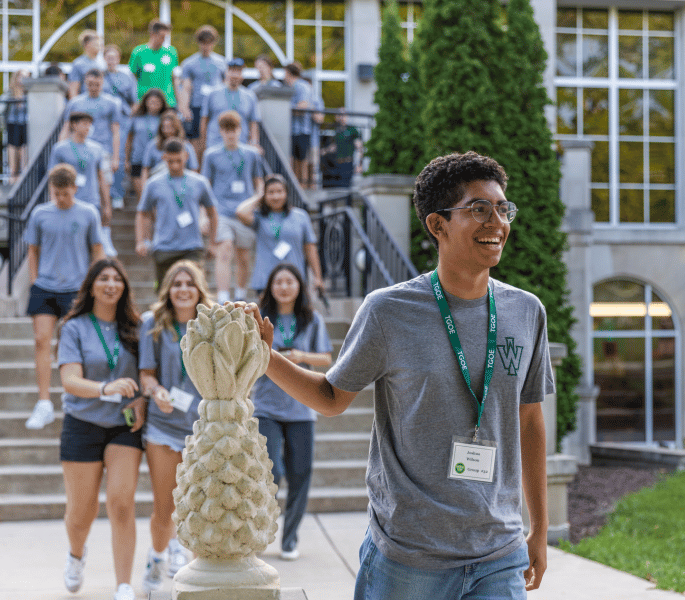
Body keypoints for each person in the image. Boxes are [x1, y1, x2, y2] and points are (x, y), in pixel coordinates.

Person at [241, 152, 552, 599]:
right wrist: (266, 356)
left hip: (498, 552)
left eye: (503, 209)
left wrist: (538, 530)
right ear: (437, 225)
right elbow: (331, 397)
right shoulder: (388, 311)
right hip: (409, 556)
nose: (497, 222)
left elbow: (530, 420)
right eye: (479, 209)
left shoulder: (526, 311)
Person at [57, 258, 144, 600]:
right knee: (81, 513)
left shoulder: (136, 327)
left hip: (123, 426)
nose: (111, 284)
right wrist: (105, 388)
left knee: (122, 502)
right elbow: (69, 381)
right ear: (91, 286)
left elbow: (148, 374)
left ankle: (123, 583)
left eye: (117, 278)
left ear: (124, 287)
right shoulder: (74, 327)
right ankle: (76, 555)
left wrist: (142, 401)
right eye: (104, 278)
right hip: (83, 423)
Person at [137, 260, 213, 591]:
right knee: (164, 505)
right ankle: (157, 557)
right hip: (162, 426)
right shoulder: (152, 323)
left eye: (189, 283)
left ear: (199, 289)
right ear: (168, 289)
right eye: (177, 284)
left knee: (196, 503)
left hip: (201, 427)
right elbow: (146, 375)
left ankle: (191, 565)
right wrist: (156, 391)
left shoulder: (211, 323)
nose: (183, 289)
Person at [252, 263, 331, 560]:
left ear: (299, 286)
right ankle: (258, 534)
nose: (284, 286)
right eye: (278, 281)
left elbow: (325, 358)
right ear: (270, 286)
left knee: (301, 474)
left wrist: (299, 356)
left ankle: (290, 538)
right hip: (267, 407)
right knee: (271, 470)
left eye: (290, 281)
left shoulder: (312, 320)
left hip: (302, 408)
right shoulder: (261, 320)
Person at [24, 164, 105, 430]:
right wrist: (35, 280)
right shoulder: (40, 214)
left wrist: (95, 284)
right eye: (56, 193)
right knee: (41, 340)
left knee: (73, 344)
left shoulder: (88, 213)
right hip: (45, 286)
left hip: (76, 288)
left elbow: (97, 249)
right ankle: (44, 402)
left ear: (75, 189)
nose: (61, 199)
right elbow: (32, 250)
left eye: (65, 194)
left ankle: (77, 393)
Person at [135, 137, 219, 287]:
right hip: (163, 246)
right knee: (164, 293)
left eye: (178, 160)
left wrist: (213, 242)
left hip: (192, 246)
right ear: (163, 158)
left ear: (186, 156)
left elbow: (212, 212)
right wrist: (141, 240)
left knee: (196, 290)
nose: (174, 165)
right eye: (170, 161)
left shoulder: (199, 182)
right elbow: (143, 213)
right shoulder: (153, 183)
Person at [201, 110, 266, 303]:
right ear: (221, 131)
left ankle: (240, 294)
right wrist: (203, 216)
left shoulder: (251, 154)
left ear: (240, 130)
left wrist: (256, 202)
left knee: (244, 257)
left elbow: (259, 182)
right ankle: (223, 297)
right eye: (226, 129)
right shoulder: (211, 154)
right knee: (225, 248)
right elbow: (205, 187)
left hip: (244, 213)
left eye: (234, 129)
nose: (231, 134)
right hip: (221, 212)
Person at [235, 174, 323, 296]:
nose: (276, 196)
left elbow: (310, 249)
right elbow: (240, 212)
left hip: (294, 279)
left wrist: (317, 277)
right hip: (265, 280)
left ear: (286, 193)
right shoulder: (260, 217)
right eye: (270, 192)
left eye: (279, 191)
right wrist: (259, 196)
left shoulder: (300, 216)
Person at [49, 111, 117, 257]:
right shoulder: (60, 149)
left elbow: (102, 177)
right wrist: (54, 201)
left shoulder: (97, 148)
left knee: (91, 243)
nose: (88, 127)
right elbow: (53, 178)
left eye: (90, 124)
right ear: (74, 125)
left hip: (92, 201)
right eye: (85, 123)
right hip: (68, 202)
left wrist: (107, 203)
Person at [64, 69, 123, 214]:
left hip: (103, 150)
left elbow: (116, 131)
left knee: (104, 186)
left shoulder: (111, 103)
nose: (93, 87)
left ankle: (105, 221)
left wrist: (116, 157)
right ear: (85, 83)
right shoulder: (75, 103)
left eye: (97, 84)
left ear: (102, 83)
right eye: (90, 84)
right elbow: (66, 128)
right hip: (78, 149)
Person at [178, 24, 226, 162]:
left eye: (209, 43)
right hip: (197, 106)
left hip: (216, 107)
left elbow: (225, 84)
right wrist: (185, 107)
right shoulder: (189, 63)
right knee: (197, 141)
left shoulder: (221, 62)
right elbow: (186, 87)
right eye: (203, 43)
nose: (206, 46)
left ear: (214, 43)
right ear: (199, 43)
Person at [103, 44, 138, 207]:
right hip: (103, 122)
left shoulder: (126, 78)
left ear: (118, 59)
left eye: (114, 57)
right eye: (108, 57)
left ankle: (117, 194)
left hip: (122, 121)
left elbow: (135, 101)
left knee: (120, 157)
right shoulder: (99, 76)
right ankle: (103, 194)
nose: (111, 60)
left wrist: (129, 117)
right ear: (104, 59)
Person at [200, 57, 260, 152]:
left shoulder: (250, 96)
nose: (235, 75)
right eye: (232, 70)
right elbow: (204, 120)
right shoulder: (212, 94)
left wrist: (254, 143)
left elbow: (253, 123)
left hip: (241, 146)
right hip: (215, 145)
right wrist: (202, 144)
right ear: (226, 72)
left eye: (238, 71)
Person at [283, 62, 321, 187]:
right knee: (293, 161)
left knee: (301, 161)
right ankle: (295, 187)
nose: (284, 76)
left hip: (301, 130)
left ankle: (302, 188)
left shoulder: (301, 86)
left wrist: (285, 109)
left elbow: (303, 106)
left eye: (285, 73)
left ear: (289, 73)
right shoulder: (291, 87)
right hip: (292, 130)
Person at [127, 89, 169, 198]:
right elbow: (129, 139)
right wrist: (127, 159)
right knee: (143, 197)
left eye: (157, 102)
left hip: (158, 160)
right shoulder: (137, 117)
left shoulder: (165, 118)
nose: (154, 105)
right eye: (151, 102)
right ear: (145, 102)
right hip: (138, 158)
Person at [129, 19, 180, 108]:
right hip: (145, 102)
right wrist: (135, 101)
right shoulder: (139, 52)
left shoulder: (171, 52)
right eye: (162, 36)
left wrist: (179, 102)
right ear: (152, 34)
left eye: (165, 37)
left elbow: (174, 78)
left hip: (168, 101)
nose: (164, 40)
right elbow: (132, 78)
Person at [141, 112, 198, 181]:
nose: (167, 130)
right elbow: (145, 168)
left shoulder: (186, 146)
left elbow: (193, 168)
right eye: (164, 127)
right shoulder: (153, 145)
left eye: (170, 127)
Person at [321, 110, 362, 189]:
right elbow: (327, 148)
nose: (342, 117)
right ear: (336, 117)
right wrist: (327, 150)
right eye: (340, 115)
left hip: (347, 163)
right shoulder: (332, 129)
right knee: (333, 190)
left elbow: (360, 148)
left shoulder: (352, 130)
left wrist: (359, 164)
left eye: (344, 115)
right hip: (333, 165)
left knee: (345, 190)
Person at [4, 70, 30, 184]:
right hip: (12, 123)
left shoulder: (29, 93)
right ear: (16, 77)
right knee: (13, 147)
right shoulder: (10, 93)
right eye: (22, 76)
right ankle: (12, 174)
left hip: (25, 123)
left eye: (26, 77)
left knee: (24, 148)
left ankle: (23, 174)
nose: (23, 79)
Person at [68, 30, 105, 98]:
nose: (100, 47)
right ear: (87, 44)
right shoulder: (79, 64)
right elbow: (73, 88)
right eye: (96, 44)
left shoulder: (102, 63)